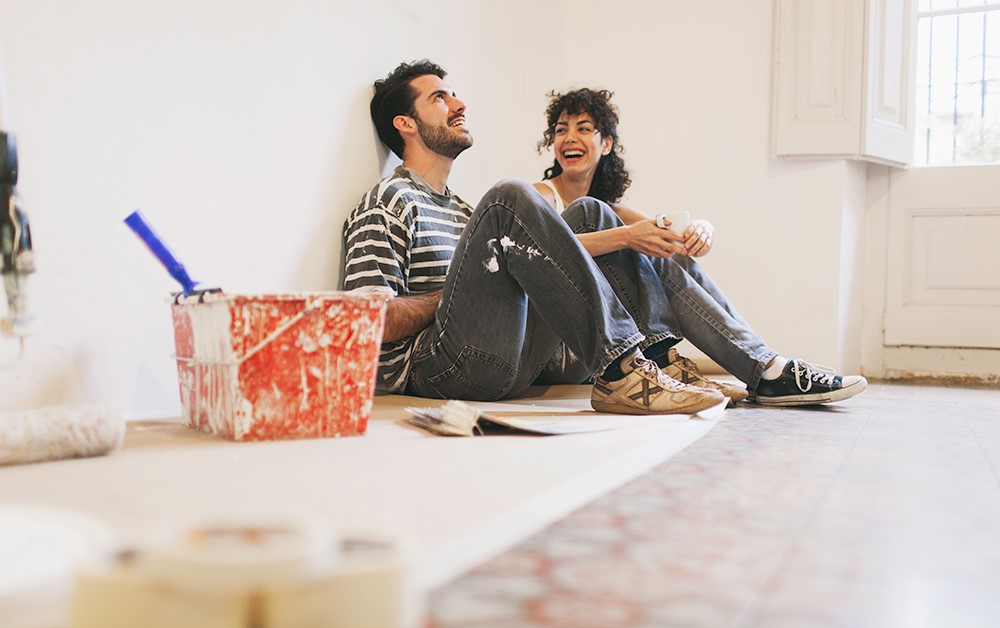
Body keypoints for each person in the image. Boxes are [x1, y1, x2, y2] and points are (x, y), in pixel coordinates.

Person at [342, 60, 726, 416]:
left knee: (589, 213)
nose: (459, 104)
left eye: (454, 94)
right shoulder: (390, 201)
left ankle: (654, 360)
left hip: (508, 361)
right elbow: (366, 322)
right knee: (509, 196)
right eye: (439, 98)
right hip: (435, 370)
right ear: (406, 124)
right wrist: (459, 295)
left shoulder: (462, 210)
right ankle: (621, 373)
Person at [532, 87, 867, 406]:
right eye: (561, 130)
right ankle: (763, 369)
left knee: (656, 249)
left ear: (606, 144)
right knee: (604, 222)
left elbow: (670, 244)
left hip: (601, 346)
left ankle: (763, 364)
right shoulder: (543, 195)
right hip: (558, 349)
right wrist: (627, 237)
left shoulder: (611, 211)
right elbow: (540, 253)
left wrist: (703, 230)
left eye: (583, 128)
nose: (570, 137)